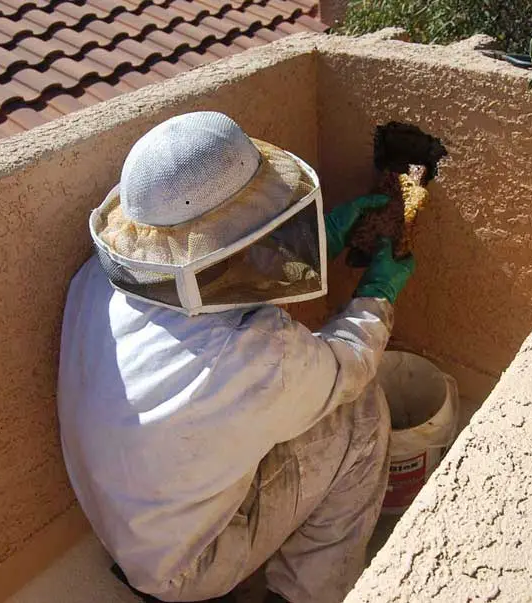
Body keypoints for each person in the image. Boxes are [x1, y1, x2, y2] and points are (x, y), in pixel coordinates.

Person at [57, 112, 415, 603]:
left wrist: (321, 241)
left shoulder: (97, 279)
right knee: (360, 415)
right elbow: (347, 369)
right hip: (183, 569)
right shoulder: (256, 355)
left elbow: (220, 281)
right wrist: (377, 295)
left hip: (126, 524)